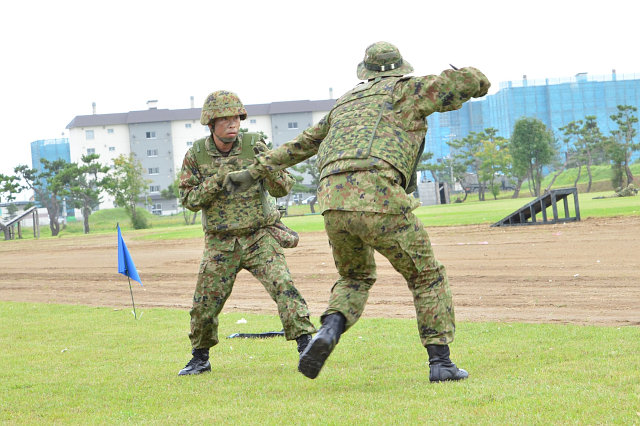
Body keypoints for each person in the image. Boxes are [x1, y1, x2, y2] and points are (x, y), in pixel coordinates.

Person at [224, 42, 490, 382]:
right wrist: (462, 74)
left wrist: (251, 172)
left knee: (355, 277)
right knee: (426, 276)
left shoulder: (345, 104)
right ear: (398, 68)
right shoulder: (408, 90)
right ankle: (441, 362)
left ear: (365, 71)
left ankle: (329, 330)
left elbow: (301, 145)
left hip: (333, 200)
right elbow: (474, 81)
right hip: (379, 194)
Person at [177, 90, 316, 376]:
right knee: (204, 303)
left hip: (259, 236)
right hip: (220, 241)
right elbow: (189, 200)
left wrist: (269, 168)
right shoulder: (196, 155)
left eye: (236, 117)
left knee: (284, 287)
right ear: (211, 123)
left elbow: (282, 188)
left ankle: (307, 346)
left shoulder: (255, 145)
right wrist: (217, 181)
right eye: (225, 119)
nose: (233, 123)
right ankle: (199, 357)